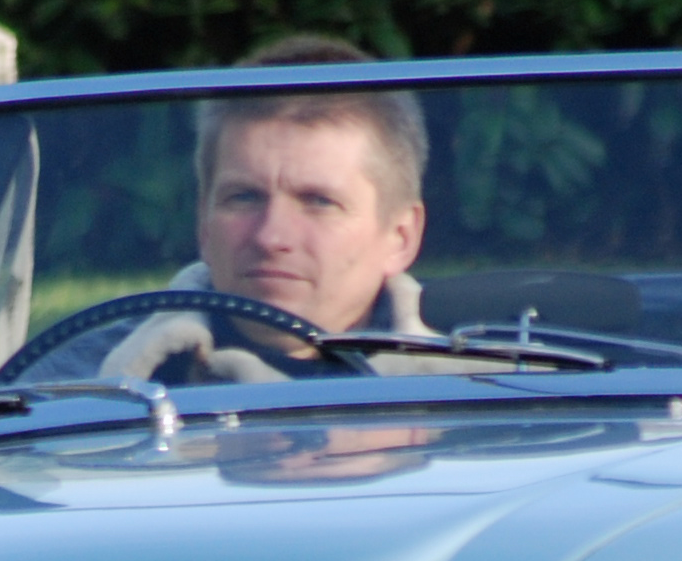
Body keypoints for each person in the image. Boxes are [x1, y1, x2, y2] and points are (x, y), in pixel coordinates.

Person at [104, 35, 438, 385]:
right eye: (244, 197)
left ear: (401, 237)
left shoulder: (481, 387)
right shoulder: (90, 383)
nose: (270, 237)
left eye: (319, 202)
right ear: (204, 223)